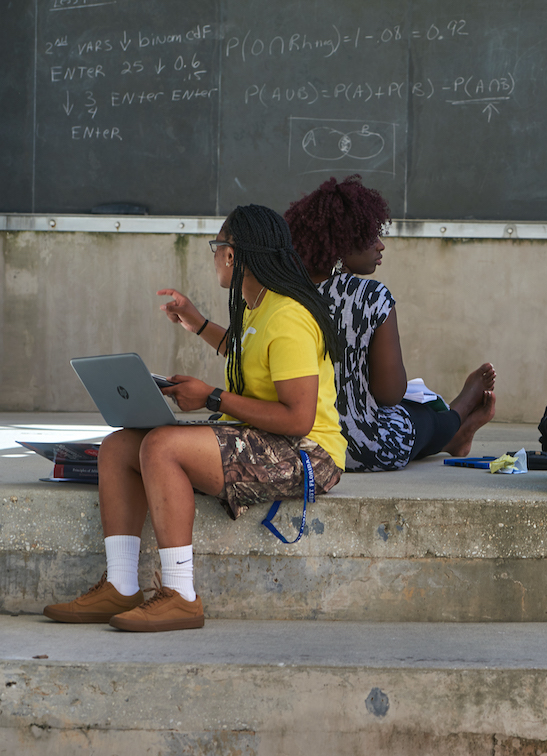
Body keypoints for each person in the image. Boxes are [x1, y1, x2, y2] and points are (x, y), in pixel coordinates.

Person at [43, 204, 346, 631]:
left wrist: (213, 398)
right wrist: (197, 322)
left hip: (309, 455)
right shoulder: (258, 305)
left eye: (216, 246)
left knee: (162, 446)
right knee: (119, 446)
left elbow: (298, 419)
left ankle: (180, 595)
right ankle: (121, 584)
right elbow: (248, 355)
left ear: (231, 253)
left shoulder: (289, 316)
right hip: (265, 437)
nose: (214, 256)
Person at [284, 175, 496, 472]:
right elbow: (389, 394)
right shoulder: (371, 297)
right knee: (415, 415)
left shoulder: (282, 295)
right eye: (370, 236)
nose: (380, 246)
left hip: (299, 449)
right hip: (363, 449)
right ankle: (458, 414)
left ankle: (454, 436)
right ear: (342, 244)